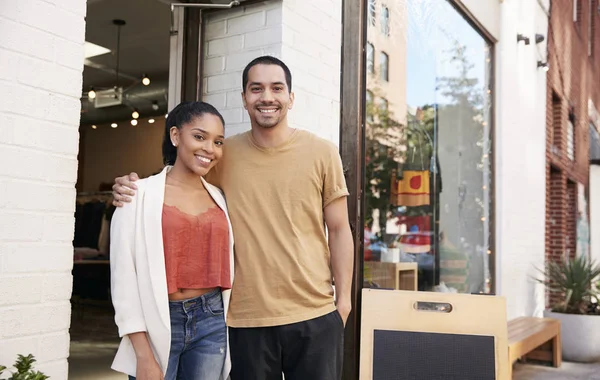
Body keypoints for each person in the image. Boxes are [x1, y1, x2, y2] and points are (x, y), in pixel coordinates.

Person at [112, 56, 354, 380]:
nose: (266, 97)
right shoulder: (225, 155)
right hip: (244, 320)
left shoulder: (322, 152)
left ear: (290, 97)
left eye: (276, 88)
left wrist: (345, 303)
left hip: (314, 313)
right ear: (244, 98)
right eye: (256, 88)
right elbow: (179, 186)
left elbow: (339, 229)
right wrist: (131, 188)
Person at [109, 101, 234, 380]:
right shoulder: (136, 194)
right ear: (176, 136)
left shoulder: (221, 197)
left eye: (218, 142)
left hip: (212, 320)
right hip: (158, 321)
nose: (209, 149)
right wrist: (142, 353)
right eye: (199, 137)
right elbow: (123, 278)